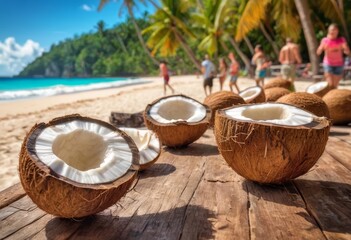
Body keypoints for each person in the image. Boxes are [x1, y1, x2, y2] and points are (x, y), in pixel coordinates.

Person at [317, 23, 350, 88]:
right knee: (330, 84)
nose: (332, 31)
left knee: (335, 85)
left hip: (339, 64)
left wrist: (346, 51)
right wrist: (321, 49)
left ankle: (333, 97)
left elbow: (347, 51)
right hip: (328, 63)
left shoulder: (341, 40)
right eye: (331, 30)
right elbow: (318, 52)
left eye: (334, 30)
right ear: (328, 31)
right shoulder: (325, 40)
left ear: (337, 31)